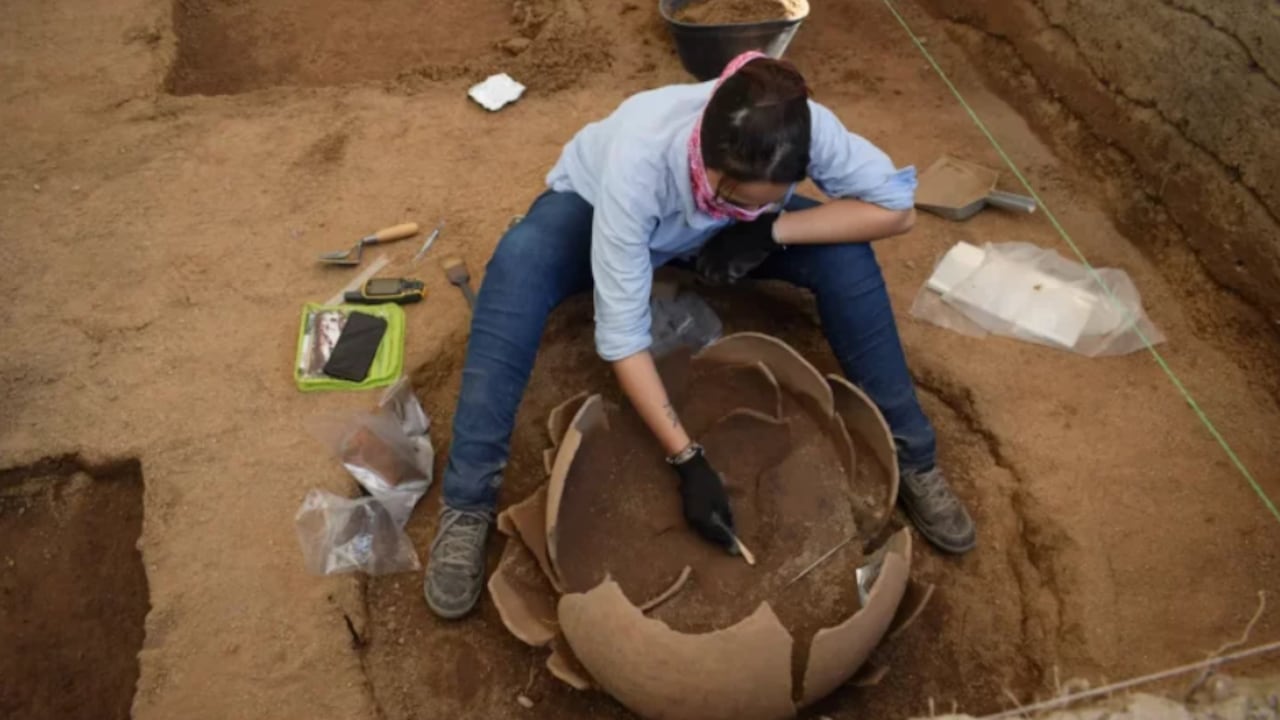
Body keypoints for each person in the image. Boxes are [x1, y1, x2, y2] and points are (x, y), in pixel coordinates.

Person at [424, 51, 976, 619]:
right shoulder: (639, 159)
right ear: (706, 154)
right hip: (596, 216)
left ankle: (914, 456)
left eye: (764, 198)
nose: (744, 208)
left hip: (719, 242)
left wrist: (767, 229)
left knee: (846, 258)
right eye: (734, 197)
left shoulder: (805, 131)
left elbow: (897, 210)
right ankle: (468, 501)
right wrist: (687, 459)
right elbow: (622, 337)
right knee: (520, 263)